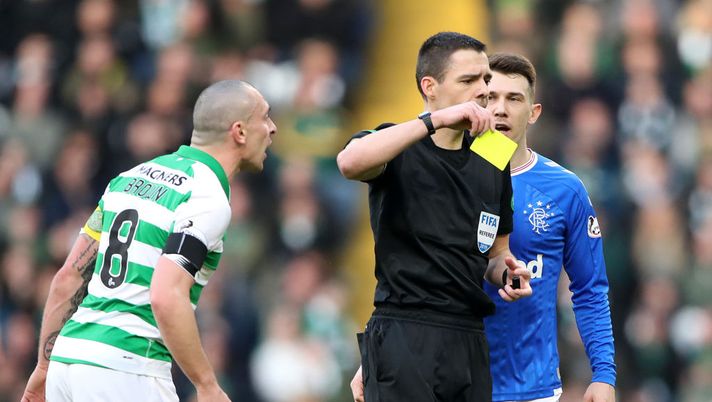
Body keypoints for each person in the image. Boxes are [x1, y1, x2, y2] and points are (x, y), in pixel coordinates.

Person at [21, 79, 277, 402]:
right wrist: (207, 384)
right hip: (126, 368)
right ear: (239, 132)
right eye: (265, 117)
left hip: (68, 361)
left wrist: (44, 368)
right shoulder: (206, 197)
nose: (273, 128)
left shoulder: (129, 178)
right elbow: (166, 295)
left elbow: (68, 277)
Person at [341, 32, 533, 402]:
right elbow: (349, 162)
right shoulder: (397, 143)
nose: (483, 91)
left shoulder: (494, 153)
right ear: (430, 87)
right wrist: (435, 121)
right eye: (468, 81)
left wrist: (508, 272)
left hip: (469, 338)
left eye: (486, 79)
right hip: (406, 330)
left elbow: (495, 253)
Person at [483, 52, 616, 402]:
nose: (500, 109)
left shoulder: (565, 189)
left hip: (532, 387)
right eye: (491, 97)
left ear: (533, 112)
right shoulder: (449, 181)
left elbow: (589, 288)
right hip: (452, 381)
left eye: (513, 98)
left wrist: (603, 374)